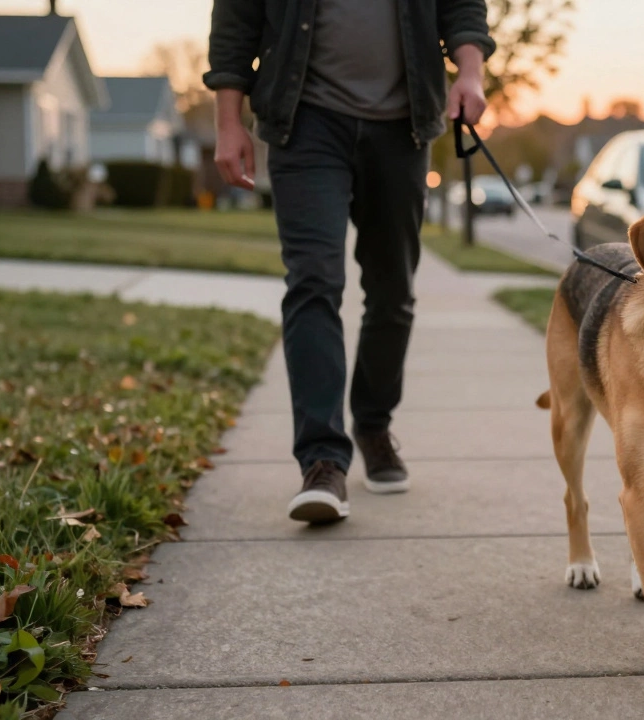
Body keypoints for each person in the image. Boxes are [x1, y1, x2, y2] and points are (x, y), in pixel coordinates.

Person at [204, 0, 494, 523]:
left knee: (393, 293)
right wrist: (228, 121)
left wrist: (469, 72)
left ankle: (374, 425)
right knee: (313, 282)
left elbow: (462, 7)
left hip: (403, 127)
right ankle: (322, 461)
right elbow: (236, 21)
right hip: (304, 122)